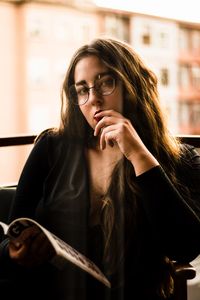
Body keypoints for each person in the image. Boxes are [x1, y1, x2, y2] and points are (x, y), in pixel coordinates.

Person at [0, 37, 200, 300]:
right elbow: (10, 235)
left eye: (106, 83)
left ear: (133, 87)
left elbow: (184, 248)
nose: (93, 99)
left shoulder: (177, 158)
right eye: (82, 90)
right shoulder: (51, 147)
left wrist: (139, 154)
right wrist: (14, 251)